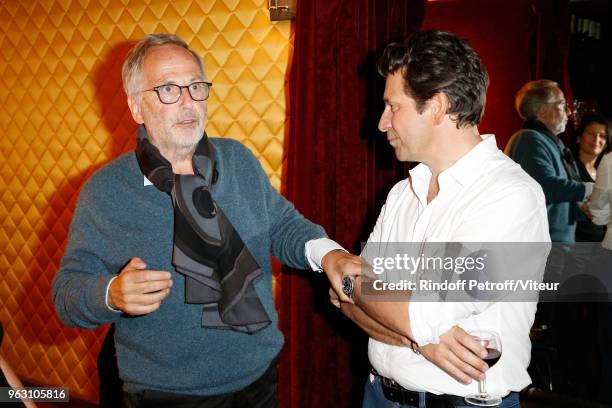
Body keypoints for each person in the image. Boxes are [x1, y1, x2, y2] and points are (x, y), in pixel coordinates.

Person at [52, 33, 351, 408]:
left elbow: (281, 224)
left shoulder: (237, 160)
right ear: (136, 108)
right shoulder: (106, 191)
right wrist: (110, 293)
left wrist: (331, 255)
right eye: (167, 90)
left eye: (196, 86)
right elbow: (66, 294)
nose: (188, 102)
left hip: (259, 377)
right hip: (165, 396)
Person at [328, 30, 550, 408]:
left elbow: (414, 313)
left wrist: (348, 276)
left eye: (392, 106)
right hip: (378, 395)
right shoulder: (403, 193)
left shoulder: (510, 196)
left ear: (437, 106)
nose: (382, 123)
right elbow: (342, 301)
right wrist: (421, 340)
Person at [505, 79, 593, 244]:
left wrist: (582, 208)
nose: (569, 113)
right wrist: (590, 189)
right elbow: (543, 187)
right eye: (562, 105)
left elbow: (557, 197)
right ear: (543, 111)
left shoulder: (548, 142)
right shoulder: (528, 139)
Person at [571, 112, 610, 242]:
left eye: (602, 136)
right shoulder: (569, 168)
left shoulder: (604, 172)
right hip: (577, 243)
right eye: (591, 134)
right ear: (579, 138)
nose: (597, 139)